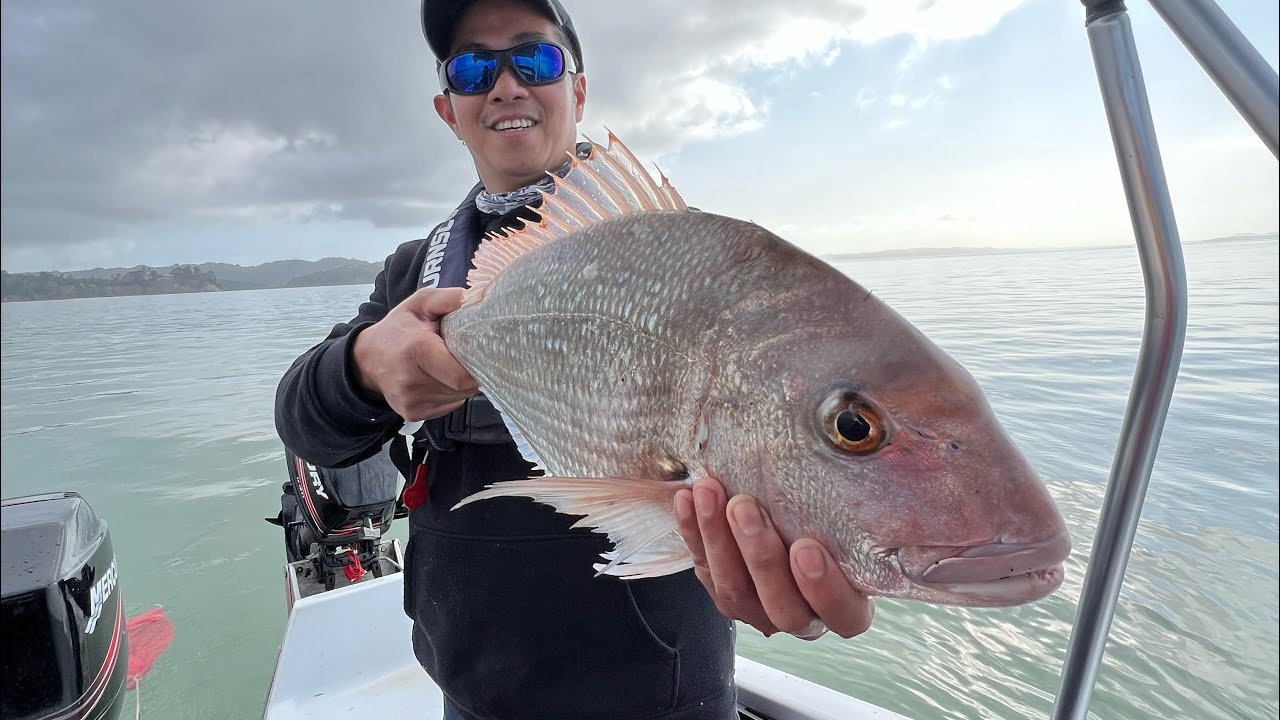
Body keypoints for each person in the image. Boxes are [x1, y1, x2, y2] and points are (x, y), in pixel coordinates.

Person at [273, 1, 874, 718]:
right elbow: (302, 421)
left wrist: (822, 535)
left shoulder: (679, 264)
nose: (504, 85)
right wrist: (364, 366)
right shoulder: (417, 275)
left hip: (660, 698)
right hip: (468, 692)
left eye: (535, 59)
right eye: (473, 67)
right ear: (448, 109)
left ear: (579, 90)